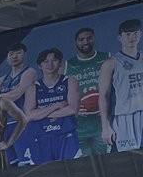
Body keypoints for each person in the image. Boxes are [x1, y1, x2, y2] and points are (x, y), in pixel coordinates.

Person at [23, 48, 79, 164]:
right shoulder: (33, 87)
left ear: (60, 63)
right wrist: (56, 106)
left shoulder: (70, 81)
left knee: (73, 170)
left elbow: (73, 108)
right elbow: (29, 115)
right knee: (46, 174)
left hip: (66, 134)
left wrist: (41, 113)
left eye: (54, 60)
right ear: (40, 65)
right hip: (40, 137)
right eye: (45, 61)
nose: (50, 64)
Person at [99, 18, 143, 152]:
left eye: (135, 33)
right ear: (120, 37)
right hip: (124, 117)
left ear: (140, 34)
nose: (132, 37)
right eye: (128, 34)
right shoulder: (111, 63)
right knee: (130, 161)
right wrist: (105, 127)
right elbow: (103, 96)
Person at [67, 27, 110, 157]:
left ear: (94, 39)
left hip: (103, 125)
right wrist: (73, 108)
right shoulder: (68, 65)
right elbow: (60, 94)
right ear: (76, 42)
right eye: (81, 39)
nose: (85, 41)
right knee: (85, 168)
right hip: (80, 127)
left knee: (108, 163)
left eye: (89, 38)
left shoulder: (107, 57)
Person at [0, 42, 36, 165]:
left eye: (18, 53)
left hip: (21, 124)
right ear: (7, 57)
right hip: (4, 127)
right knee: (12, 164)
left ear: (24, 54)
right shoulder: (2, 79)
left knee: (27, 164)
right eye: (11, 54)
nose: (14, 56)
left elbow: (16, 94)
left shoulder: (29, 72)